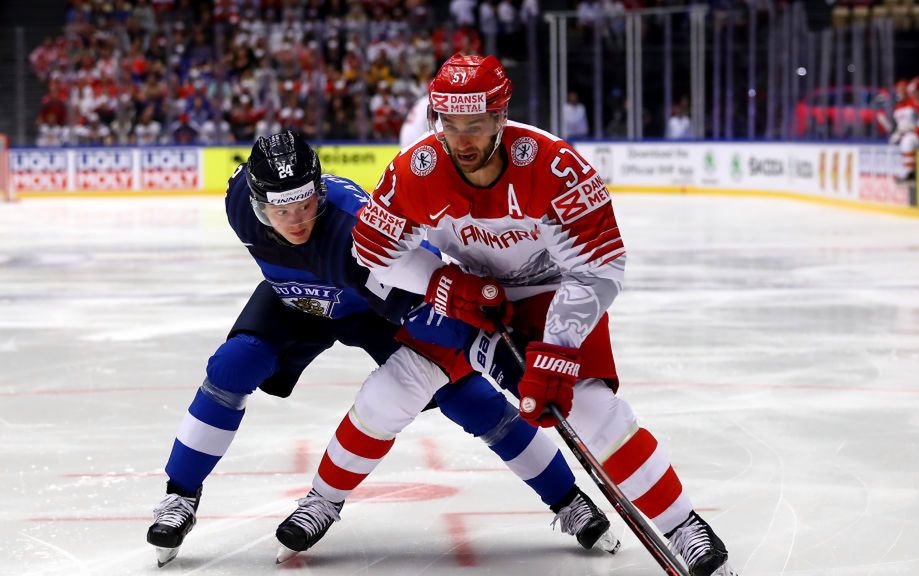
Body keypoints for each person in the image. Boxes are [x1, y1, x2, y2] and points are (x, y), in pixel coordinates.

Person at [296, 55, 737, 576]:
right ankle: (321, 499)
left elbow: (600, 266)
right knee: (398, 384)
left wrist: (558, 345)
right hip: (467, 293)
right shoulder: (419, 169)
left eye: (475, 126)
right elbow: (373, 250)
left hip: (552, 291)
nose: (461, 141)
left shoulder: (553, 165)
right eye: (450, 126)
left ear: (501, 118)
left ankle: (686, 527)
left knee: (588, 408)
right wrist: (442, 283)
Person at [145, 131, 618, 566]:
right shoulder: (237, 204)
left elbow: (441, 306)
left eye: (306, 206)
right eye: (280, 212)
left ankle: (567, 499)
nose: (296, 222)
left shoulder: (357, 234)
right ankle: (179, 495)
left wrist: (512, 370)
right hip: (293, 298)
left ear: (321, 194)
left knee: (467, 396)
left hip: (373, 306)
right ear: (255, 204)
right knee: (232, 366)